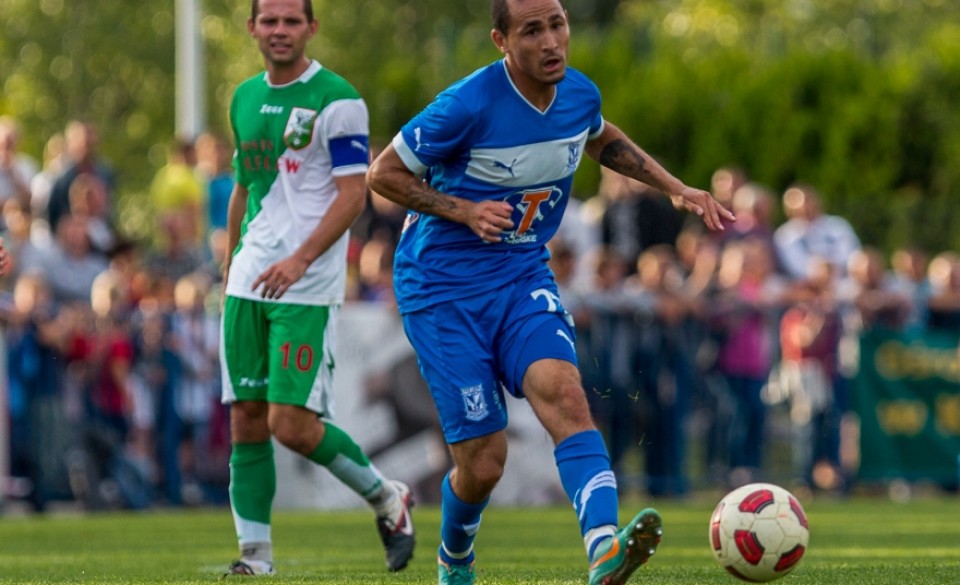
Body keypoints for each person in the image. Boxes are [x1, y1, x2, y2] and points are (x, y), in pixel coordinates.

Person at [366, 1, 734, 583]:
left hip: (521, 276)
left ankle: (603, 547)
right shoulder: (466, 104)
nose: (550, 41)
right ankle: (455, 555)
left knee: (566, 396)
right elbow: (383, 173)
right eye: (532, 30)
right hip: (441, 289)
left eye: (557, 25)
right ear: (501, 41)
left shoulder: (579, 93)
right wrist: (463, 210)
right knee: (484, 462)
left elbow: (601, 138)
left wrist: (674, 186)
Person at [220, 0, 415, 576]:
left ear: (311, 28)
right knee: (246, 418)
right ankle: (255, 558)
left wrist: (299, 260)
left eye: (291, 21)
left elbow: (354, 195)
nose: (279, 30)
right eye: (269, 20)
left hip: (305, 286)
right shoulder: (243, 97)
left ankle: (386, 496)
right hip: (247, 283)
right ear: (252, 28)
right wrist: (229, 266)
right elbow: (243, 187)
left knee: (291, 424)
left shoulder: (338, 99)